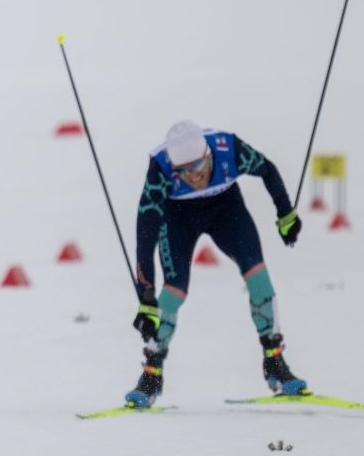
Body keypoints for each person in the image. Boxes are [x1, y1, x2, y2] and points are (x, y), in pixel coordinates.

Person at [125, 120, 305, 408]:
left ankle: (275, 364)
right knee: (174, 291)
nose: (192, 177)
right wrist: (146, 298)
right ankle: (151, 376)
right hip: (178, 218)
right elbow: (145, 233)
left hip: (226, 209)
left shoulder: (229, 149)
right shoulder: (160, 169)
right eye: (182, 172)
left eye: (197, 168)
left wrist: (286, 215)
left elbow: (267, 169)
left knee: (258, 276)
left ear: (209, 156)